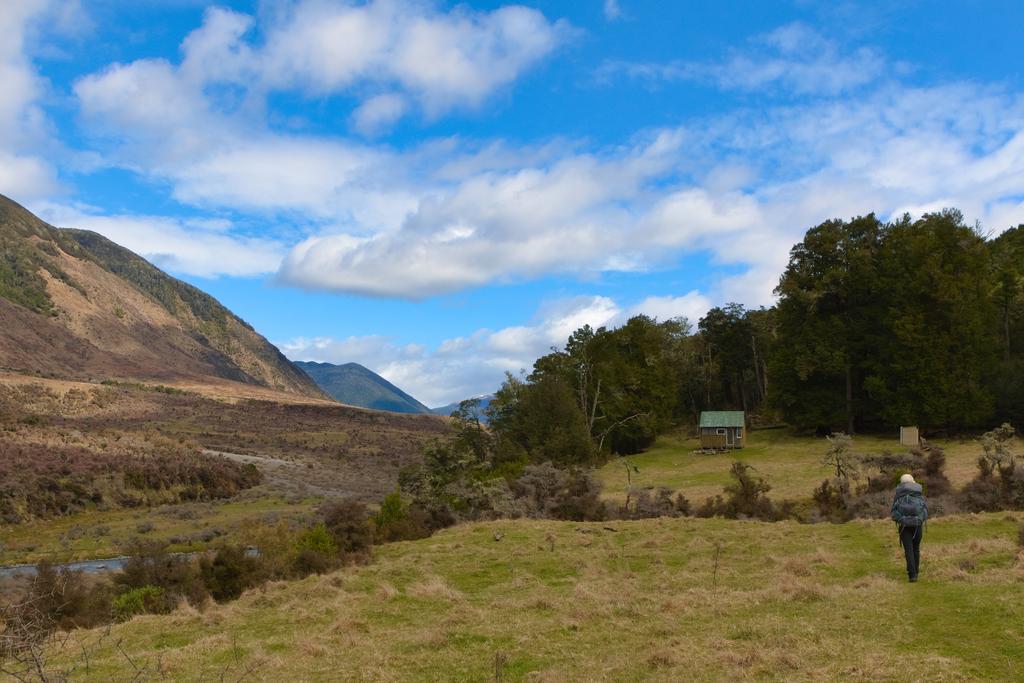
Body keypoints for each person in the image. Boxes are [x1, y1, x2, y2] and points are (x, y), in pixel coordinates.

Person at [891, 473, 928, 582]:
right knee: (916, 549)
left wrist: (902, 519)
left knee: (909, 550)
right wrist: (920, 519)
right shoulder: (918, 494)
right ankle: (915, 571)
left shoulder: (898, 495)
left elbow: (893, 513)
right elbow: (925, 510)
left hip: (904, 527)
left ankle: (912, 575)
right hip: (918, 526)